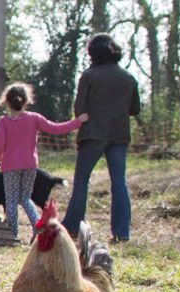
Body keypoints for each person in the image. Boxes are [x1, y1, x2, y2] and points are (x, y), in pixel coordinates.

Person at [61, 33, 142, 242]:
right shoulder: (129, 78)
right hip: (119, 134)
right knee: (119, 182)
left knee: (82, 181)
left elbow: (80, 108)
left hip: (92, 134)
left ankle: (71, 227)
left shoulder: (88, 76)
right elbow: (135, 109)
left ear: (92, 53)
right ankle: (122, 232)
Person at [0, 84, 83, 241]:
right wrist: (78, 121)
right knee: (25, 198)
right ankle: (38, 228)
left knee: (11, 200)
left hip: (10, 166)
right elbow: (57, 128)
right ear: (26, 101)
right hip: (30, 165)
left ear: (6, 101)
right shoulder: (34, 118)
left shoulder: (4, 122)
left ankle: (13, 233)